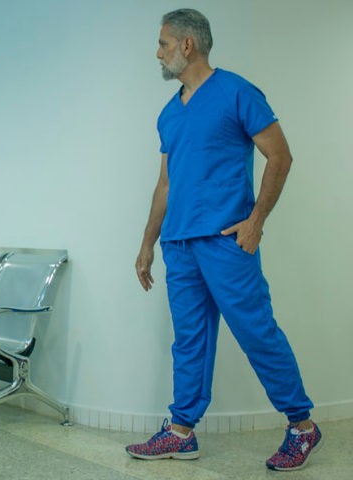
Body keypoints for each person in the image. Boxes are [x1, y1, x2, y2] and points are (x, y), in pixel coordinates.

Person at [125, 9, 322, 471]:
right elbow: (166, 185)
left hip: (225, 241)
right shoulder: (169, 114)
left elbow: (281, 156)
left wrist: (256, 221)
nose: (158, 52)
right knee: (189, 341)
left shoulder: (237, 92)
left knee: (257, 333)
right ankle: (181, 432)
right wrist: (147, 243)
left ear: (187, 46)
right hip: (179, 244)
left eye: (163, 43)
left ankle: (303, 426)